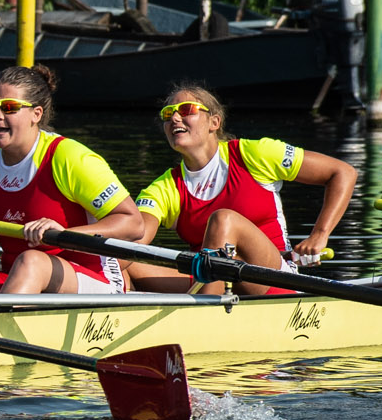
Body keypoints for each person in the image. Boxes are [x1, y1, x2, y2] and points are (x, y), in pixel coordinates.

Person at [0, 65, 142, 297]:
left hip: (90, 277)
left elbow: (133, 224)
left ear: (36, 114)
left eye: (9, 108)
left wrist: (67, 233)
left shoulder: (69, 157)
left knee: (32, 262)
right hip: (16, 276)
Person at [122, 84, 358, 293]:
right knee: (121, 258)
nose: (174, 118)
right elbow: (135, 239)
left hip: (271, 279)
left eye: (186, 110)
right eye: (167, 114)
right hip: (207, 281)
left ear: (214, 122)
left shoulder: (255, 154)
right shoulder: (165, 187)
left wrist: (319, 235)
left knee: (224, 220)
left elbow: (343, 173)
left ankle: (200, 313)